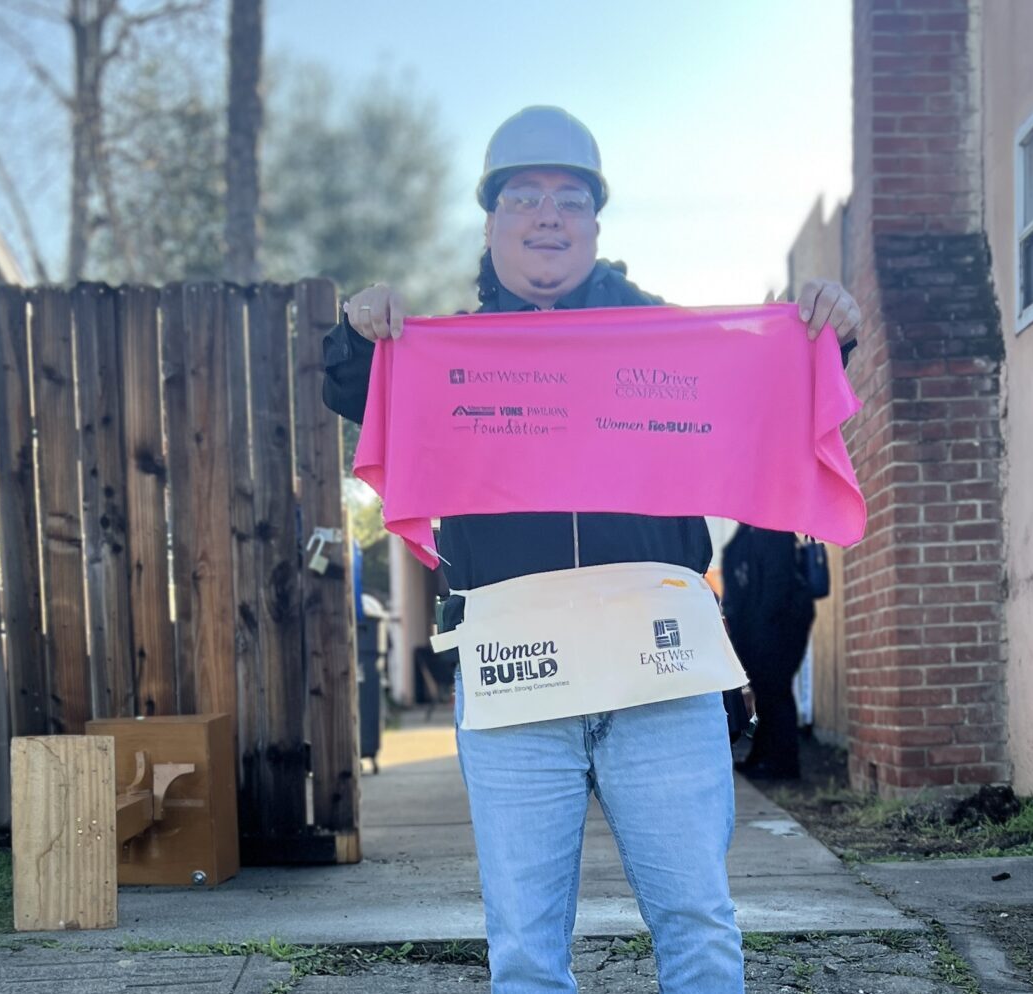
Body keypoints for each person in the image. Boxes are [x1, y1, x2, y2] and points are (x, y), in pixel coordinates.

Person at [320, 105, 863, 994]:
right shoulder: (446, 358)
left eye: (569, 200)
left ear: (597, 225)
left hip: (662, 676)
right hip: (515, 679)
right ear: (491, 223)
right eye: (523, 198)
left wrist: (828, 331)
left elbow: (777, 379)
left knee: (697, 923)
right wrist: (361, 329)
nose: (547, 216)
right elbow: (349, 383)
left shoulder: (667, 342)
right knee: (526, 951)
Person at [720, 524, 817, 779]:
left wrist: (757, 632)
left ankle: (783, 764)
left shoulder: (773, 532)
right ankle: (764, 756)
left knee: (776, 691)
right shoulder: (747, 535)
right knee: (767, 692)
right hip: (757, 629)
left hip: (777, 629)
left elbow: (777, 586)